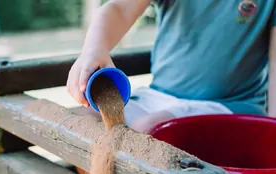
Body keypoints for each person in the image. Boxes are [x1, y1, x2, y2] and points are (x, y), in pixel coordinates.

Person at [67, 0, 276, 134]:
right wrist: (94, 49)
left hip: (229, 104)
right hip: (158, 96)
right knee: (82, 122)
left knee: (149, 129)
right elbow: (120, 9)